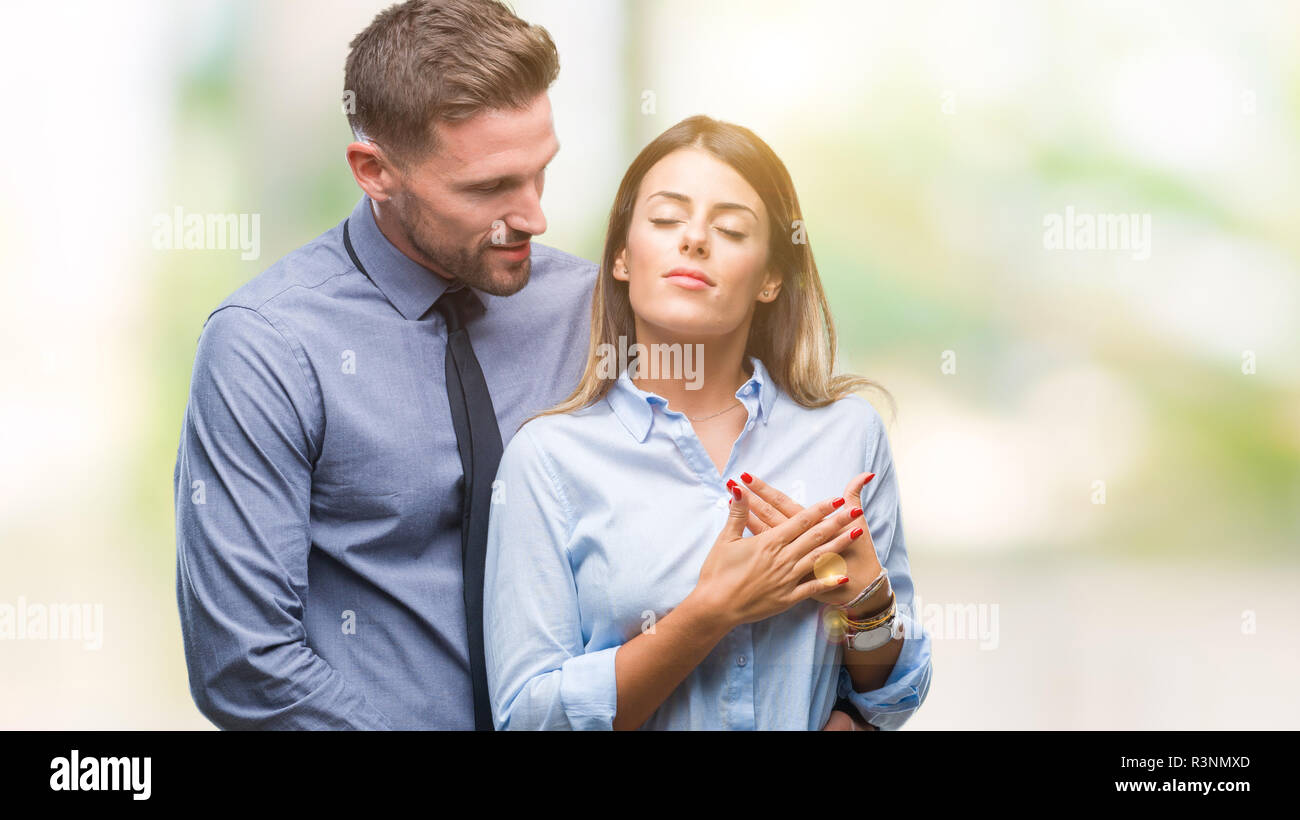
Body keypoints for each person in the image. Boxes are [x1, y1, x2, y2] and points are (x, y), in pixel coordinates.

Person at [173, 0, 596, 729]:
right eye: (490, 188)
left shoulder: (592, 312)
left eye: (540, 173)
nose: (533, 216)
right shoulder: (266, 349)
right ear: (375, 171)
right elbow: (245, 665)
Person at [484, 115, 934, 730]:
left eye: (730, 229)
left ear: (771, 277)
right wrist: (710, 611)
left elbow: (890, 700)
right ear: (621, 257)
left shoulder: (848, 436)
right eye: (666, 220)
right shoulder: (547, 459)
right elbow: (527, 718)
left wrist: (868, 604)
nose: (694, 240)